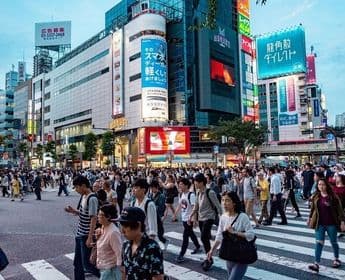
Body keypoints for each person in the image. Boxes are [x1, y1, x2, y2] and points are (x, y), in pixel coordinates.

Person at [207, 191, 255, 280]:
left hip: (242, 254)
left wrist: (234, 232)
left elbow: (251, 235)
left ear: (234, 203)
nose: (224, 203)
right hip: (229, 254)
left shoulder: (243, 217)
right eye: (223, 200)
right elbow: (219, 236)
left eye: (227, 200)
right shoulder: (223, 217)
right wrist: (211, 250)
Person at [64, 175, 100, 280]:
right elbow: (85, 213)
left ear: (83, 185)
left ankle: (107, 277)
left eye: (77, 187)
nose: (76, 190)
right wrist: (74, 211)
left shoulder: (92, 198)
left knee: (87, 265)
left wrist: (90, 237)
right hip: (80, 234)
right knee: (77, 263)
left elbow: (93, 218)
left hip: (86, 235)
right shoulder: (83, 196)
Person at [307, 178, 345, 272]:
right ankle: (316, 264)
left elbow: (340, 210)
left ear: (326, 185)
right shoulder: (316, 196)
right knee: (319, 242)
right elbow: (313, 208)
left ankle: (336, 259)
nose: (321, 187)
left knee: (333, 242)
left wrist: (342, 222)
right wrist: (310, 217)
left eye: (323, 185)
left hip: (331, 223)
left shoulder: (333, 196)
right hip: (320, 223)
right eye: (319, 185)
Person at [119, 207, 164, 280]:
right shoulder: (126, 245)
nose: (122, 230)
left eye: (126, 226)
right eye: (121, 225)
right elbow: (124, 271)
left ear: (138, 225)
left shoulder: (152, 248)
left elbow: (157, 277)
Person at [189, 173, 222, 271]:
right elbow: (196, 205)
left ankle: (209, 259)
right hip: (201, 218)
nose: (194, 184)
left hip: (209, 217)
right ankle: (208, 257)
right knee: (205, 238)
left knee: (203, 237)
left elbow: (218, 206)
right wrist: (192, 216)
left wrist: (223, 219)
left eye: (196, 182)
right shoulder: (198, 192)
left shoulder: (210, 192)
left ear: (201, 182)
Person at [174, 178, 201, 263]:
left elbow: (194, 208)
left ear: (186, 185)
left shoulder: (191, 195)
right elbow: (180, 204)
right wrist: (175, 213)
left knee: (185, 236)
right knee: (191, 233)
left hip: (189, 219)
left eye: (181, 184)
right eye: (179, 184)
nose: (179, 185)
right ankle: (198, 246)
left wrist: (194, 219)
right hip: (184, 218)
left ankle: (181, 255)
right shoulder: (181, 194)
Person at [95, 204, 122, 280]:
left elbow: (119, 253)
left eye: (101, 215)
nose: (98, 216)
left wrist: (120, 273)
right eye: (98, 214)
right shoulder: (103, 227)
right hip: (103, 267)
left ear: (108, 217)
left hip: (111, 270)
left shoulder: (113, 232)